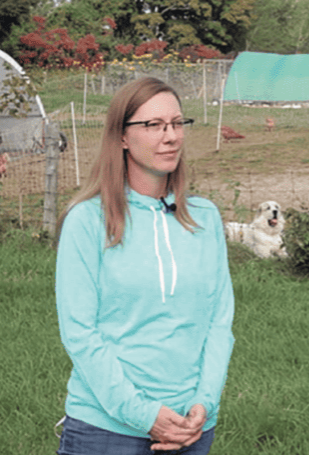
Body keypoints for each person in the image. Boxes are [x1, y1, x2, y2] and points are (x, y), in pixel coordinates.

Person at [55, 77, 235, 455]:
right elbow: (80, 333)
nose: (169, 136)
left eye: (176, 123)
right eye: (153, 125)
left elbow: (219, 323)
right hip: (106, 429)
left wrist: (205, 404)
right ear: (122, 136)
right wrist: (144, 414)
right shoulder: (87, 221)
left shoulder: (205, 218)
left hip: (191, 427)